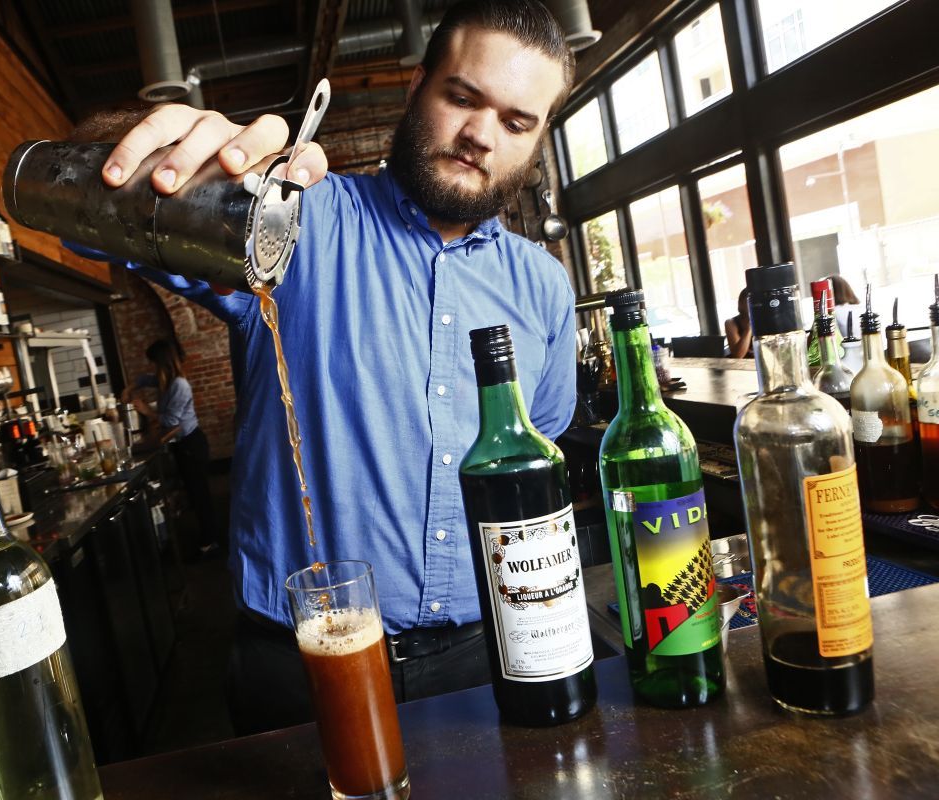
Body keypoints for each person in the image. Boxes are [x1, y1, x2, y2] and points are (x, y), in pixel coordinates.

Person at [68, 0, 577, 735]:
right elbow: (84, 197)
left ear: (534, 143)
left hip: (487, 655)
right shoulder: (292, 219)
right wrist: (161, 146)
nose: (479, 135)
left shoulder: (544, 287)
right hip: (303, 666)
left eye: (515, 122)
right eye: (462, 98)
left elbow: (535, 457)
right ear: (417, 91)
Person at [124, 339, 223, 558]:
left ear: (163, 363)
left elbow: (170, 420)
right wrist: (131, 387)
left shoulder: (179, 385)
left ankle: (211, 543)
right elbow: (145, 379)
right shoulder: (166, 381)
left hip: (191, 444)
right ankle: (209, 538)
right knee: (194, 493)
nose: (152, 369)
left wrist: (145, 410)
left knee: (200, 496)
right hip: (183, 445)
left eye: (154, 365)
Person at [725, 288, 753, 358]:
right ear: (740, 303)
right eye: (748, 301)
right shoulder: (731, 323)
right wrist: (749, 328)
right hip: (742, 365)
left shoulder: (763, 320)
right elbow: (738, 355)